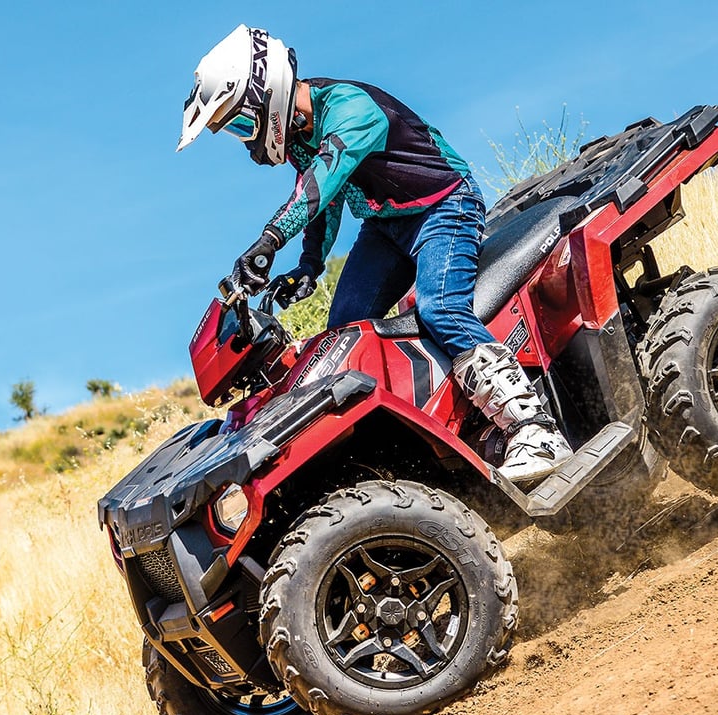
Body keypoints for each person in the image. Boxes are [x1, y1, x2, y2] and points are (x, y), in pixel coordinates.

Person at [176, 25, 572, 483]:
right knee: (341, 335)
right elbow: (324, 203)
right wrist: (309, 266)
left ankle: (535, 431)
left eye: (243, 123)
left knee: (440, 307)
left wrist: (268, 242)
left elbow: (320, 183)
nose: (247, 139)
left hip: (445, 206)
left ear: (266, 93)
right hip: (387, 228)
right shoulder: (305, 133)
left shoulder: (349, 109)